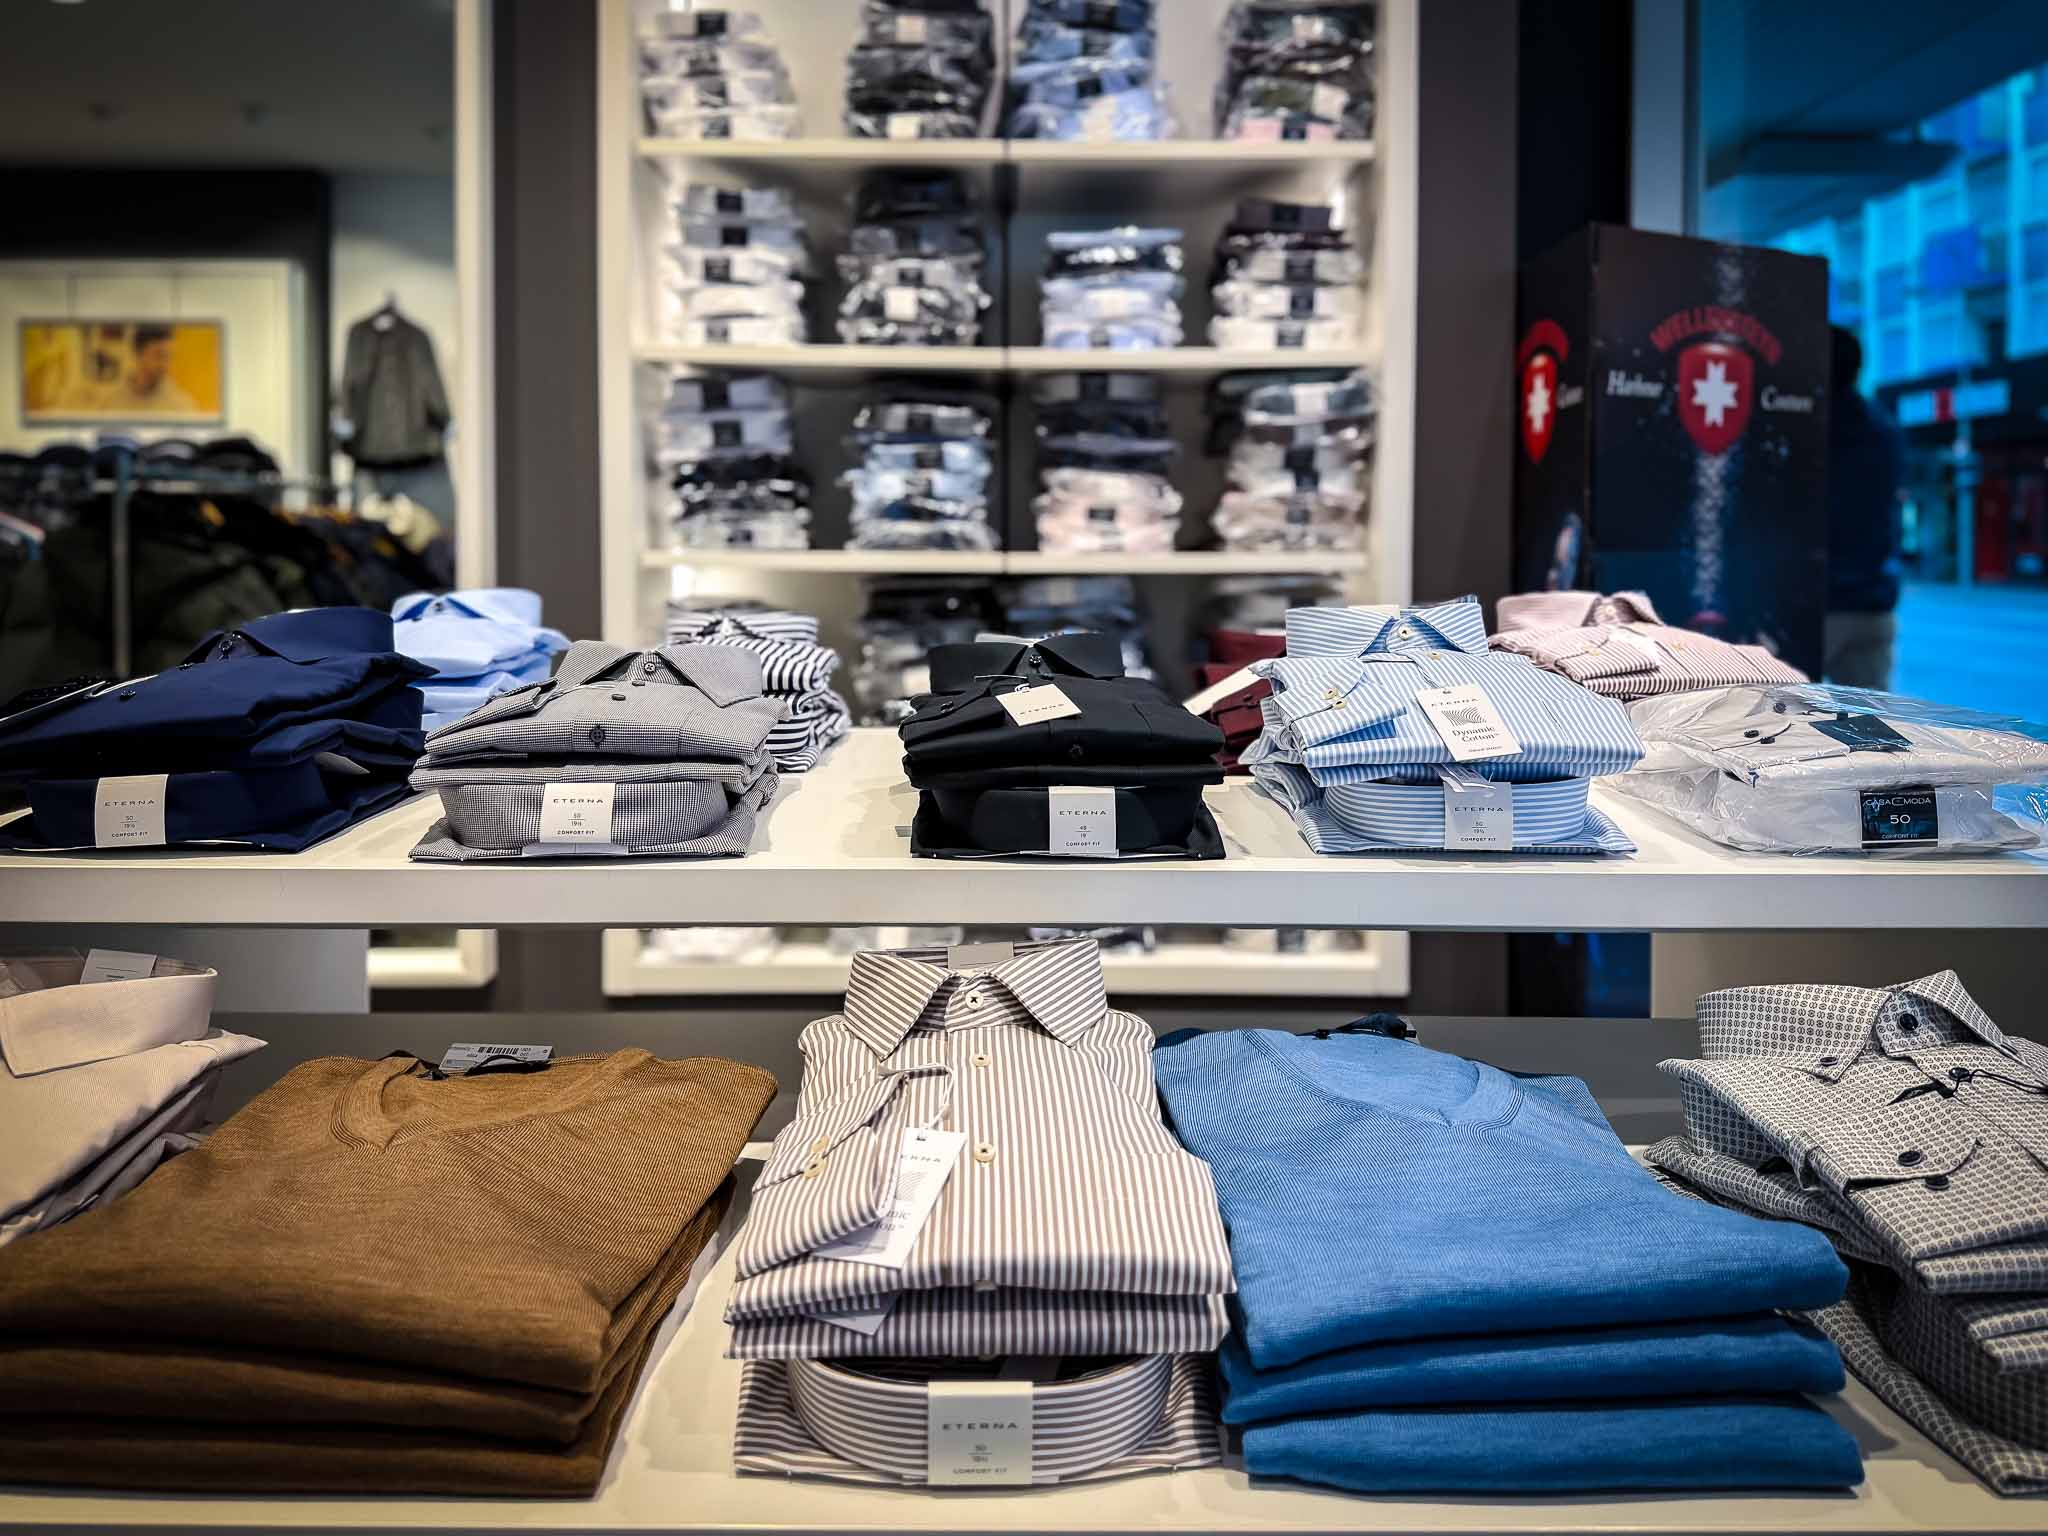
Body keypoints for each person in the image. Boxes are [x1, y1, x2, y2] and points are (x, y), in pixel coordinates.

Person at [1824, 325, 1904, 689]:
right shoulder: (1884, 428)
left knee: (1773, 716)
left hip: (1817, 604)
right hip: (1873, 602)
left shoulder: (1807, 424)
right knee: (1869, 719)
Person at [100, 324, 200, 416]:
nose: (166, 365)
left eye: (169, 356)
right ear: (139, 354)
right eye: (159, 355)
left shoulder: (182, 406)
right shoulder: (113, 402)